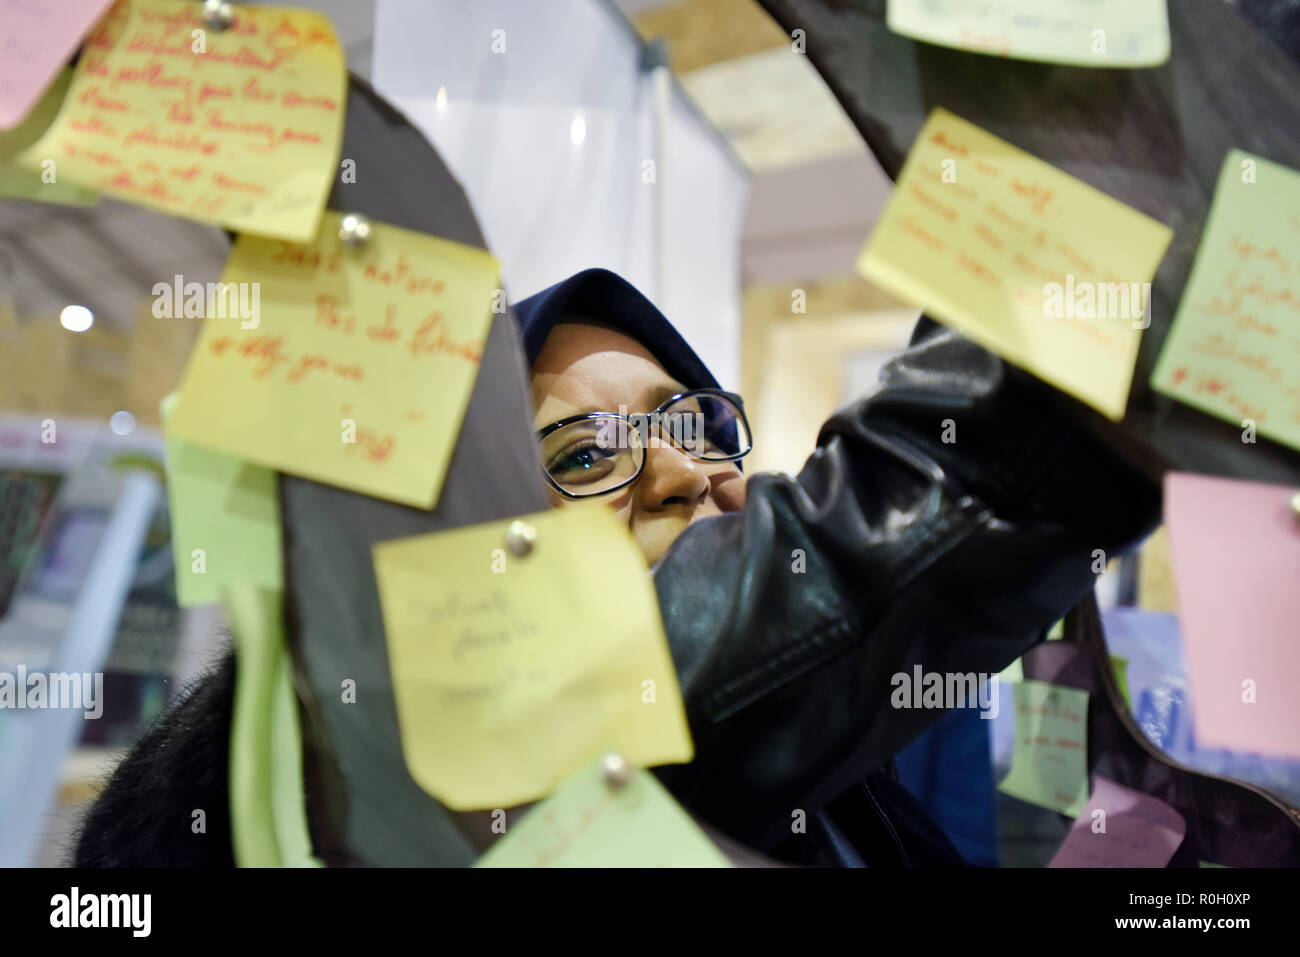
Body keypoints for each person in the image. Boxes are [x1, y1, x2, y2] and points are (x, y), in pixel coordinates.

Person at [75, 268, 1159, 866]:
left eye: (698, 421)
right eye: (584, 451)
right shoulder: (357, 751)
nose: (685, 472)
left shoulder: (844, 786)